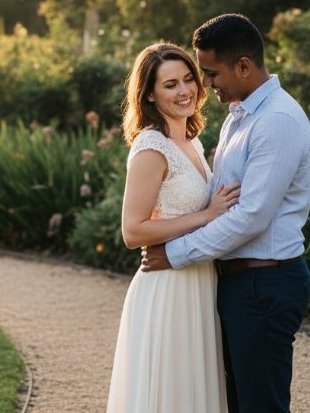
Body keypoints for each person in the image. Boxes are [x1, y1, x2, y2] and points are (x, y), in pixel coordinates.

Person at [142, 14, 310, 413]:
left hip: (265, 283)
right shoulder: (240, 117)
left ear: (243, 66)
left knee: (261, 406)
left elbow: (250, 218)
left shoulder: (277, 121)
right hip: (240, 282)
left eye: (211, 73)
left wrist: (175, 253)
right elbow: (218, 202)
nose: (205, 85)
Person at [106, 42, 240, 413]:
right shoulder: (152, 147)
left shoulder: (191, 142)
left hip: (200, 281)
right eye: (170, 85)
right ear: (149, 93)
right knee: (172, 393)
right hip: (167, 287)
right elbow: (133, 232)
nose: (185, 91)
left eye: (188, 80)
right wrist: (206, 215)